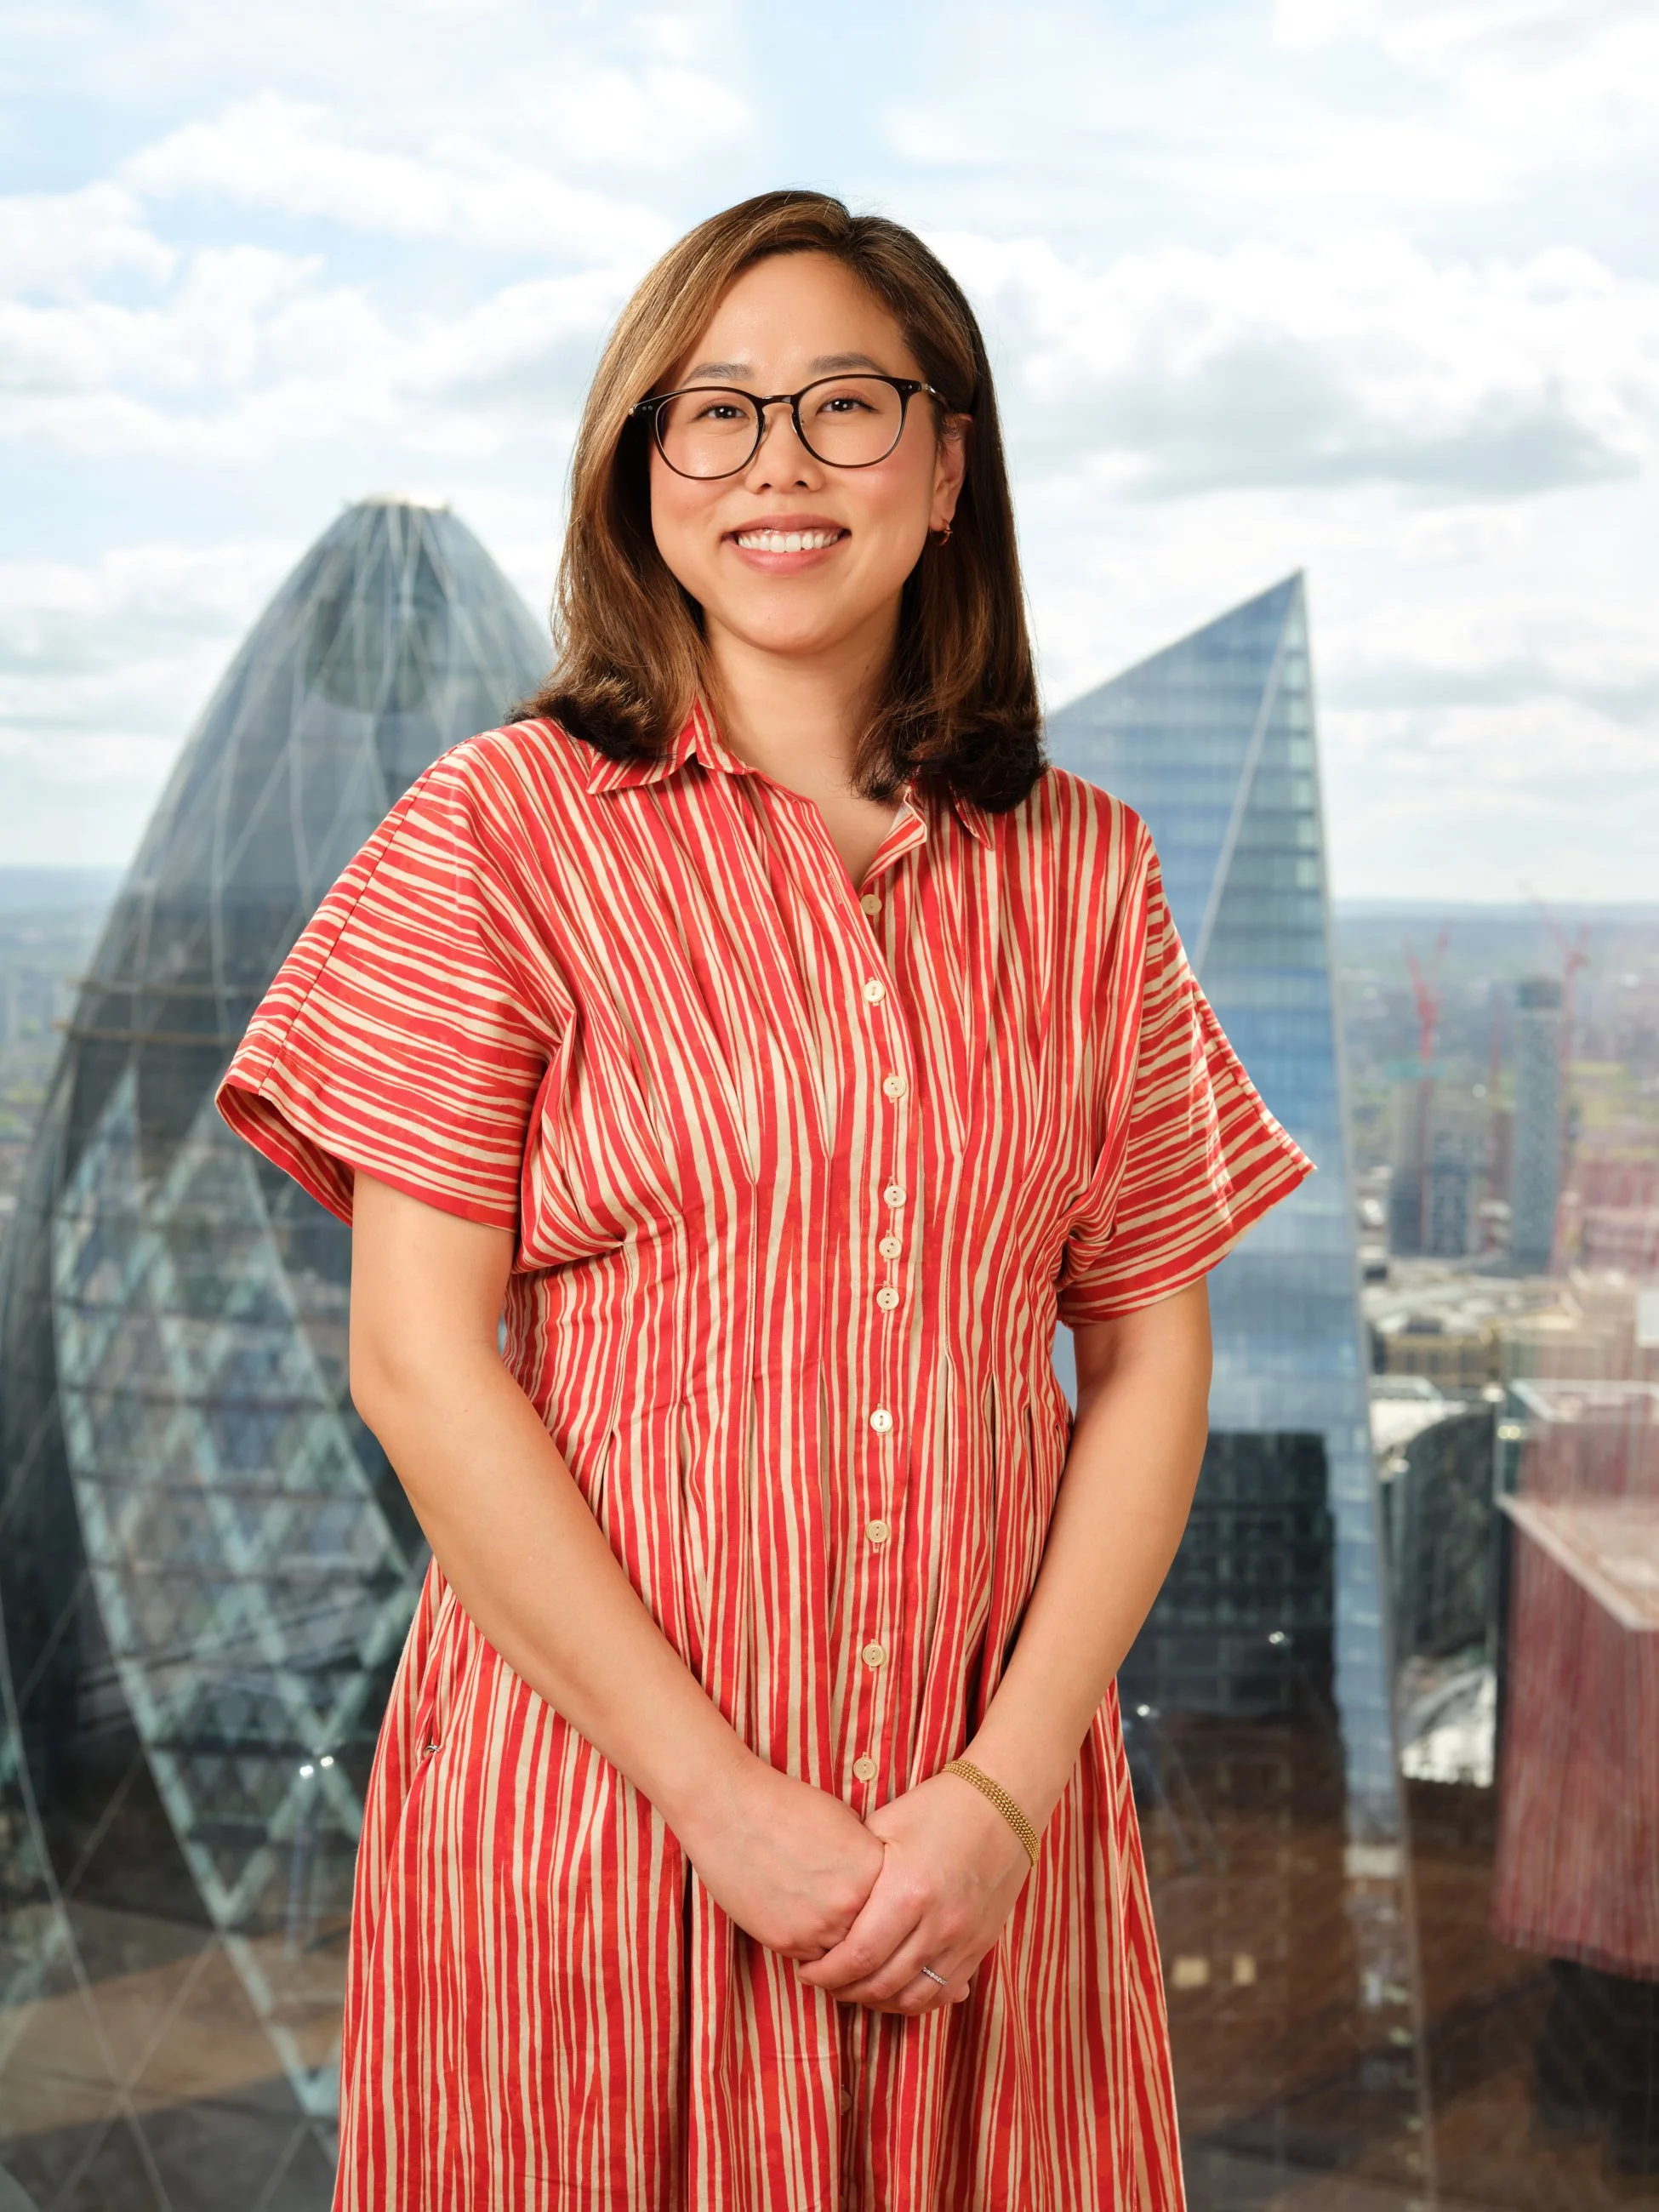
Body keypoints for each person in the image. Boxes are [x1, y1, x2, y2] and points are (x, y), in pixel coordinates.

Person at [218, 188, 1313, 2212]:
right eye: (712, 414)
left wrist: (998, 1798)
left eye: (843, 405)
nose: (778, 466)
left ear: (947, 461)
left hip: (990, 1854)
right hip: (598, 1822)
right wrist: (724, 1806)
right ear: (642, 472)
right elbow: (415, 1359)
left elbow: (1153, 1350)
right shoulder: (494, 833)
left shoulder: (1090, 873)